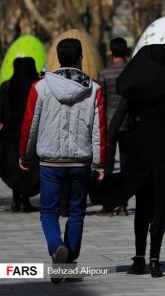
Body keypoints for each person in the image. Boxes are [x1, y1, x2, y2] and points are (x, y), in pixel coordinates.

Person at [19, 37, 106, 284]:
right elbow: (99, 129)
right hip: (80, 162)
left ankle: (57, 247)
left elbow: (30, 124)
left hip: (50, 161)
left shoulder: (40, 87)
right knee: (77, 212)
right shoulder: (94, 89)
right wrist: (100, 163)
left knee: (48, 211)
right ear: (80, 58)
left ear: (58, 58)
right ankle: (68, 263)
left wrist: (25, 155)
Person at [111, 44, 165, 278]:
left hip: (140, 150)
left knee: (142, 206)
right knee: (160, 208)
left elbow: (120, 115)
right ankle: (155, 260)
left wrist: (104, 146)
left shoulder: (135, 82)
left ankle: (139, 259)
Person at [0, 57, 40, 212]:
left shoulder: (6, 87)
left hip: (10, 138)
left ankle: (17, 200)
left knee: (14, 169)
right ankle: (24, 200)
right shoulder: (36, 87)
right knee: (29, 169)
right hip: (31, 136)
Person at [97, 37, 130, 216]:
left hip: (109, 124)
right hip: (128, 124)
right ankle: (123, 203)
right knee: (126, 164)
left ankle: (108, 204)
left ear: (111, 51)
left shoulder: (104, 73)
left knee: (107, 165)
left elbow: (100, 101)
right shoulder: (132, 71)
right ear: (126, 51)